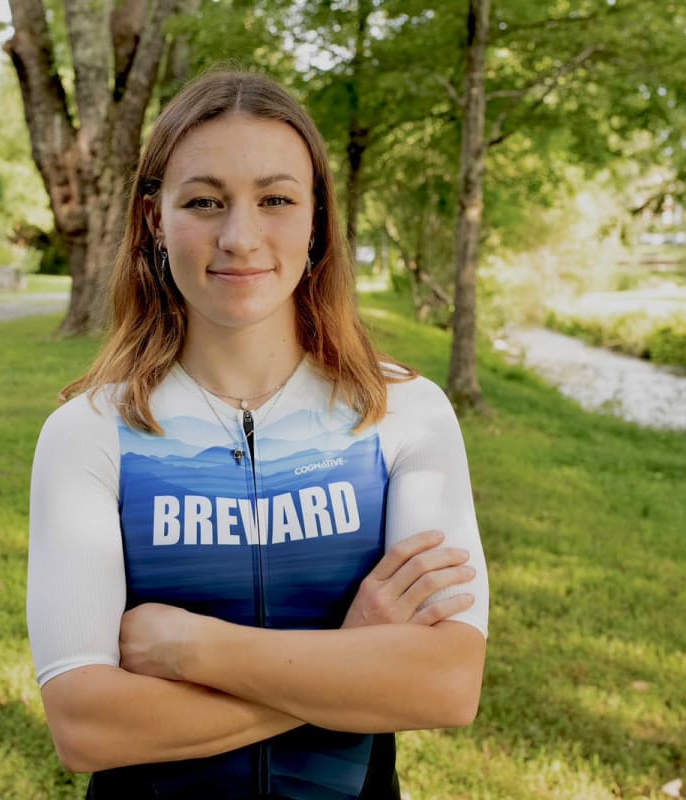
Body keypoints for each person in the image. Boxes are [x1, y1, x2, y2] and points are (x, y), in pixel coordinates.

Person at [27, 69, 489, 799]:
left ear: (316, 221)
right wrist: (353, 658)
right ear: (155, 220)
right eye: (204, 202)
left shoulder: (405, 414)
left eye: (275, 199)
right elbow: (88, 728)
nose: (240, 238)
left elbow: (445, 686)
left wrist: (192, 648)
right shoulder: (88, 435)